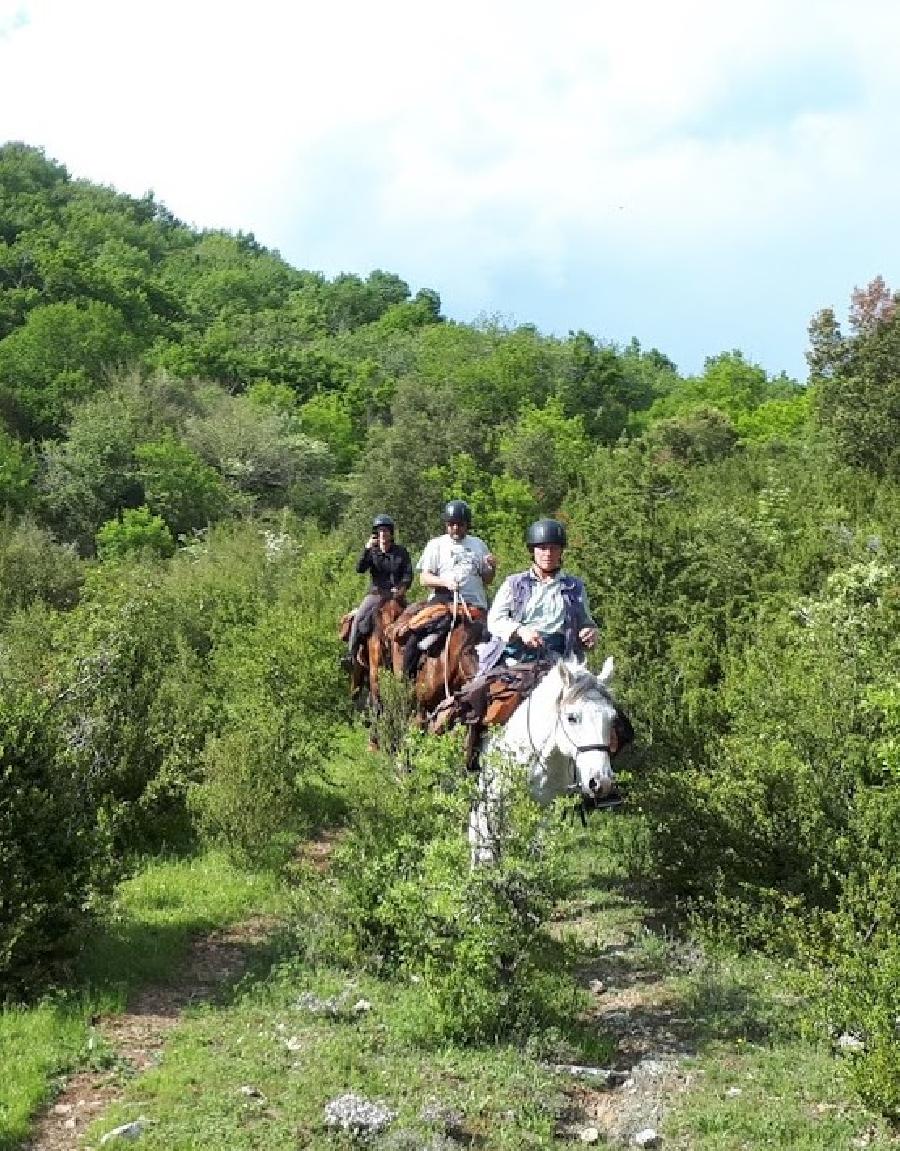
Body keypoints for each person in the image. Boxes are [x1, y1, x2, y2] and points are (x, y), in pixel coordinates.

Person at [479, 518, 596, 672]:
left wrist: (589, 632)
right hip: (516, 658)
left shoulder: (574, 587)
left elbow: (586, 622)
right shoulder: (513, 584)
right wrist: (520, 631)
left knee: (594, 693)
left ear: (561, 551)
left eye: (553, 548)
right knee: (477, 692)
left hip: (561, 662)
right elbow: (495, 620)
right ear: (532, 550)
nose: (548, 553)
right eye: (542, 548)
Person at [343, 514, 413, 671]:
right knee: (359, 617)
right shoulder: (372, 552)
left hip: (396, 596)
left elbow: (408, 574)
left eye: (386, 531)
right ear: (375, 534)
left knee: (414, 620)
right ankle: (351, 654)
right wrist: (366, 549)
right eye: (380, 531)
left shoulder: (401, 552)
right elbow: (360, 569)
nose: (383, 534)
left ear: (391, 533)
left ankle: (412, 659)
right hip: (376, 595)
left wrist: (401, 588)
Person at [416, 499, 496, 609]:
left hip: (475, 604)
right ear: (446, 524)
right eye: (451, 524)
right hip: (443, 603)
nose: (455, 528)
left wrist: (492, 568)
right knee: (418, 624)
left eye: (460, 524)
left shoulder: (479, 544)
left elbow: (488, 580)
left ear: (467, 524)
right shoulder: (436, 545)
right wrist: (445, 582)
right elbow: (424, 578)